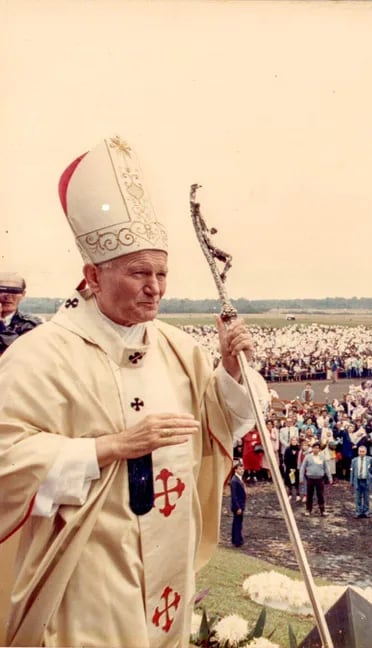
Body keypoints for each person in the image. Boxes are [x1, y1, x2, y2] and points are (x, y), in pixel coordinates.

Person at [0, 135, 266, 647]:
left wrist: (232, 372)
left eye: (162, 273)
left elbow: (220, 428)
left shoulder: (179, 349)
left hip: (169, 567)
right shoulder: (39, 357)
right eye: (139, 272)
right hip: (90, 568)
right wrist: (109, 448)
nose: (156, 288)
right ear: (92, 276)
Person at [0, 272, 42, 356]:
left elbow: (22, 354)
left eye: (14, 291)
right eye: (2, 290)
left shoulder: (32, 325)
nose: (7, 296)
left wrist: (0, 325)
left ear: (23, 294)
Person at [300, 441, 332, 516]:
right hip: (310, 479)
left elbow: (326, 468)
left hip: (319, 479)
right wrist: (301, 478)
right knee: (309, 495)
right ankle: (308, 510)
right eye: (314, 448)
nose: (316, 449)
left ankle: (322, 510)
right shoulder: (308, 457)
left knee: (320, 495)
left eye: (317, 448)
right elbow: (302, 467)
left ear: (319, 449)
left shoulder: (322, 457)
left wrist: (330, 478)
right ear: (312, 448)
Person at [351, 445, 372, 518]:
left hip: (366, 480)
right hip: (357, 480)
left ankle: (366, 511)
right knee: (358, 497)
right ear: (358, 452)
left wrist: (371, 478)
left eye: (363, 451)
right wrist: (352, 481)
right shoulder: (354, 460)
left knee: (366, 497)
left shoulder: (370, 459)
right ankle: (358, 512)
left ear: (366, 452)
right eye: (360, 451)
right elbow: (352, 471)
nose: (361, 453)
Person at [230, 461, 246, 547]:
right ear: (236, 470)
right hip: (238, 506)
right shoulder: (234, 481)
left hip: (240, 505)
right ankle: (237, 540)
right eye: (240, 469)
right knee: (237, 523)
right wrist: (238, 507)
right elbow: (234, 496)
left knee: (237, 522)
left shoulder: (238, 479)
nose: (242, 470)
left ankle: (236, 539)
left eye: (242, 469)